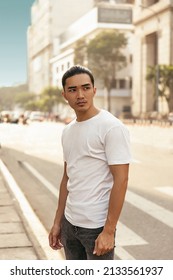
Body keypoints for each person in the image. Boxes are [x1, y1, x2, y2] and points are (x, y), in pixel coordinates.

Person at [49, 65, 131, 260]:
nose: (80, 95)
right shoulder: (67, 131)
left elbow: (121, 180)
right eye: (73, 90)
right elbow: (67, 178)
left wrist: (109, 231)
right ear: (64, 95)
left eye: (85, 88)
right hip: (70, 224)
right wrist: (58, 222)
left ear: (94, 90)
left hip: (96, 228)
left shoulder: (111, 127)